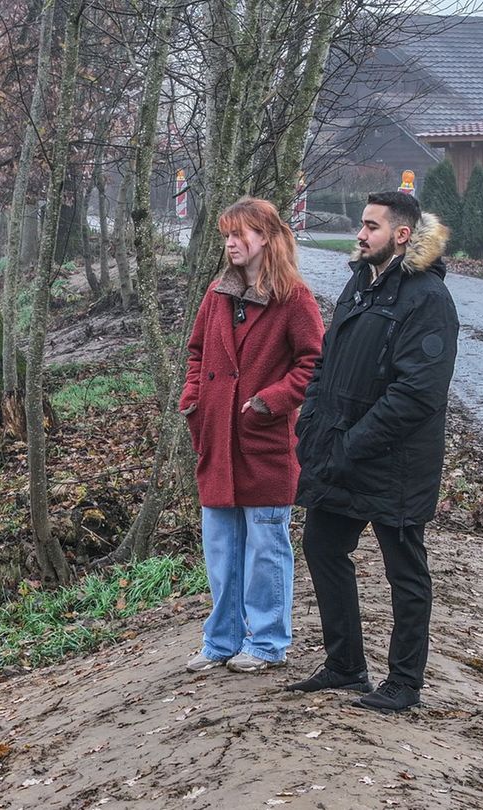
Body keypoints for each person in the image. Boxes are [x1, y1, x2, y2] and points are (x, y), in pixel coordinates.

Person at [287, 191, 458, 713]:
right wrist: (312, 423)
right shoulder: (362, 282)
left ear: (402, 235)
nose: (359, 234)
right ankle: (345, 665)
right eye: (361, 226)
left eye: (370, 226)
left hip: (396, 463)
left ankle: (404, 683)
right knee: (322, 545)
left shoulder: (427, 298)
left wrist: (353, 444)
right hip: (340, 452)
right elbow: (327, 361)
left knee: (404, 570)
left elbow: (417, 394)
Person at [180, 197, 324, 675]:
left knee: (266, 548)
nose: (230, 243)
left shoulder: (295, 299)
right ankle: (220, 639)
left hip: (264, 442)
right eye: (227, 235)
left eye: (239, 234)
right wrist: (193, 402)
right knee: (221, 549)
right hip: (217, 439)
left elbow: (314, 363)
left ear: (265, 237)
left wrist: (271, 401)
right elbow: (197, 353)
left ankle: (265, 642)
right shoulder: (217, 292)